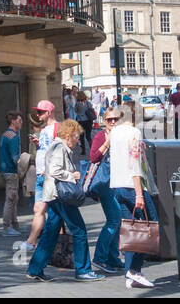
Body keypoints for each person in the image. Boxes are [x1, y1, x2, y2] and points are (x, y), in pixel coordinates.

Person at [25, 119, 103, 282]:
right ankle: (83, 270)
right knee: (79, 230)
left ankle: (35, 268)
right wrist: (72, 175)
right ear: (67, 136)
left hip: (53, 195)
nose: (77, 140)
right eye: (76, 137)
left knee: (50, 232)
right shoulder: (60, 148)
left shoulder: (56, 146)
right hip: (60, 195)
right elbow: (54, 171)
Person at [110, 103, 158, 288]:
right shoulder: (134, 133)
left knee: (130, 230)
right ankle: (134, 270)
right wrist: (139, 194)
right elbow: (135, 164)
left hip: (117, 186)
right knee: (151, 226)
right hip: (132, 187)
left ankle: (130, 274)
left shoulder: (115, 132)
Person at [16, 100, 58, 253]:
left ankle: (36, 241)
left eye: (40, 112)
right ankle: (32, 241)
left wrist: (51, 170)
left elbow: (60, 151)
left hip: (49, 176)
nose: (38, 115)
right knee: (38, 208)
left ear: (49, 112)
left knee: (55, 212)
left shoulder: (56, 128)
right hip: (41, 175)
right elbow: (47, 149)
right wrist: (38, 144)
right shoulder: (45, 129)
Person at [88, 108, 124, 274]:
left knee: (118, 221)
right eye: (109, 119)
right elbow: (93, 157)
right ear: (104, 121)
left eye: (116, 119)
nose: (113, 122)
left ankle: (113, 257)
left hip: (118, 182)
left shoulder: (121, 135)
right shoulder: (101, 135)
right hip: (105, 183)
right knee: (114, 220)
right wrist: (107, 143)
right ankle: (100, 257)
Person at [0, 111, 23, 237]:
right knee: (11, 199)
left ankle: (14, 224)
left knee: (13, 198)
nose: (21, 123)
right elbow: (15, 157)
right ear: (13, 121)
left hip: (4, 170)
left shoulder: (5, 135)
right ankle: (7, 226)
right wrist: (22, 169)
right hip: (11, 171)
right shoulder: (14, 137)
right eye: (19, 121)